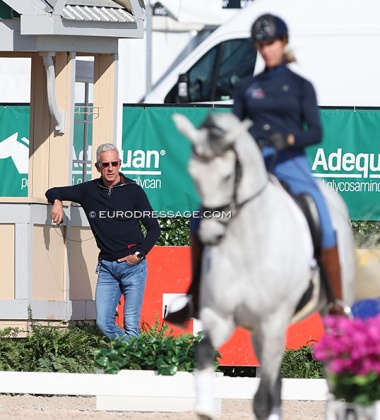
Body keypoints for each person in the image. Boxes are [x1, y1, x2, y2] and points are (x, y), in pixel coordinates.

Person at [166, 13, 347, 324]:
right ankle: (194, 296)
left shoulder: (301, 86)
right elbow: (234, 127)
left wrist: (289, 137)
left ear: (283, 43)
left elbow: (315, 132)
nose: (266, 50)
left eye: (271, 43)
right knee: (201, 216)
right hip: (253, 165)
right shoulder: (246, 86)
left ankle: (337, 303)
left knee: (324, 219)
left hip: (291, 162)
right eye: (261, 45)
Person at [45, 143, 161, 340]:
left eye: (114, 163)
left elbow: (154, 228)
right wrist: (56, 202)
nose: (110, 168)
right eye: (105, 164)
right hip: (107, 267)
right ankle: (138, 353)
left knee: (131, 324)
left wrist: (138, 254)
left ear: (119, 164)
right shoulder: (89, 190)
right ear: (98, 166)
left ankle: (130, 363)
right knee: (103, 322)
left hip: (133, 266)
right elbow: (53, 191)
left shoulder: (133, 190)